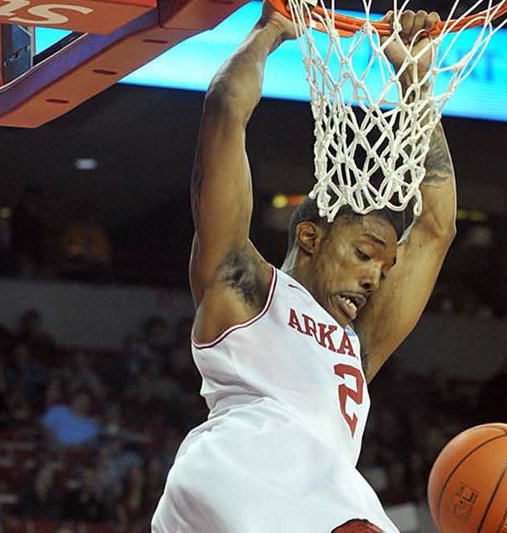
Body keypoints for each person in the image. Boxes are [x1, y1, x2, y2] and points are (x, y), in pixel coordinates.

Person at [151, 4, 456, 532]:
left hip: (317, 501)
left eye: (383, 270)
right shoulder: (245, 287)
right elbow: (225, 108)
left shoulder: (357, 344)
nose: (373, 279)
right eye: (364, 254)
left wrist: (415, 83)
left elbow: (436, 229)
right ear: (311, 236)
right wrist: (269, 31)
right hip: (240, 477)